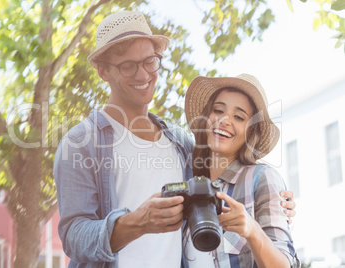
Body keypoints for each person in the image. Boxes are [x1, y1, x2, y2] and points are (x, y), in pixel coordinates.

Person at [53, 10, 296, 268]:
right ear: (103, 71)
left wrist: (276, 205)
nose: (143, 75)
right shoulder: (80, 142)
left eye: (149, 61)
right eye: (128, 66)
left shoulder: (180, 143)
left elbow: (224, 175)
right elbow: (73, 237)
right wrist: (137, 222)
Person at [183, 74, 300, 267]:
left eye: (239, 117)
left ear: (251, 132)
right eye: (218, 110)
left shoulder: (262, 179)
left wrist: (252, 229)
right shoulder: (188, 183)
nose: (224, 120)